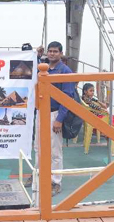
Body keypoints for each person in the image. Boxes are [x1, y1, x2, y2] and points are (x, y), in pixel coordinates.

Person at [32, 41, 75, 196]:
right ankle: (38, 174)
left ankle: (56, 181)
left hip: (54, 114)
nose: (51, 53)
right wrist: (36, 55)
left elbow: (67, 97)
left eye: (55, 51)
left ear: (61, 53)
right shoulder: (42, 67)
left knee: (55, 150)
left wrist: (60, 119)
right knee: (38, 146)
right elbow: (27, 69)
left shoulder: (65, 71)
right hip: (40, 111)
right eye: (49, 51)